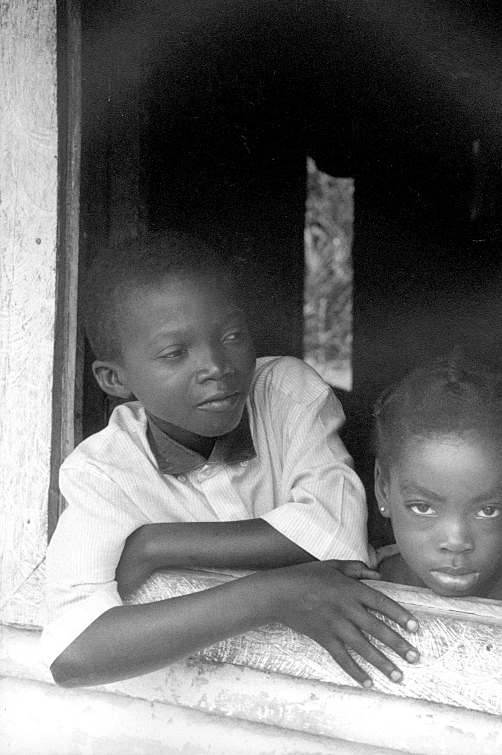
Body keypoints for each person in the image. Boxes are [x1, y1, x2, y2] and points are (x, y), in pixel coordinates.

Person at [42, 231, 419, 690]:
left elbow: (336, 537)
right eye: (175, 353)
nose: (217, 366)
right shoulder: (102, 471)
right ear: (115, 379)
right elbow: (73, 651)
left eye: (232, 335)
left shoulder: (284, 392)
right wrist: (276, 594)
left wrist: (159, 545)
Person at [373, 357, 502, 601]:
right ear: (383, 489)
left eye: (489, 511)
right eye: (423, 507)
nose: (456, 542)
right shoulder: (361, 583)